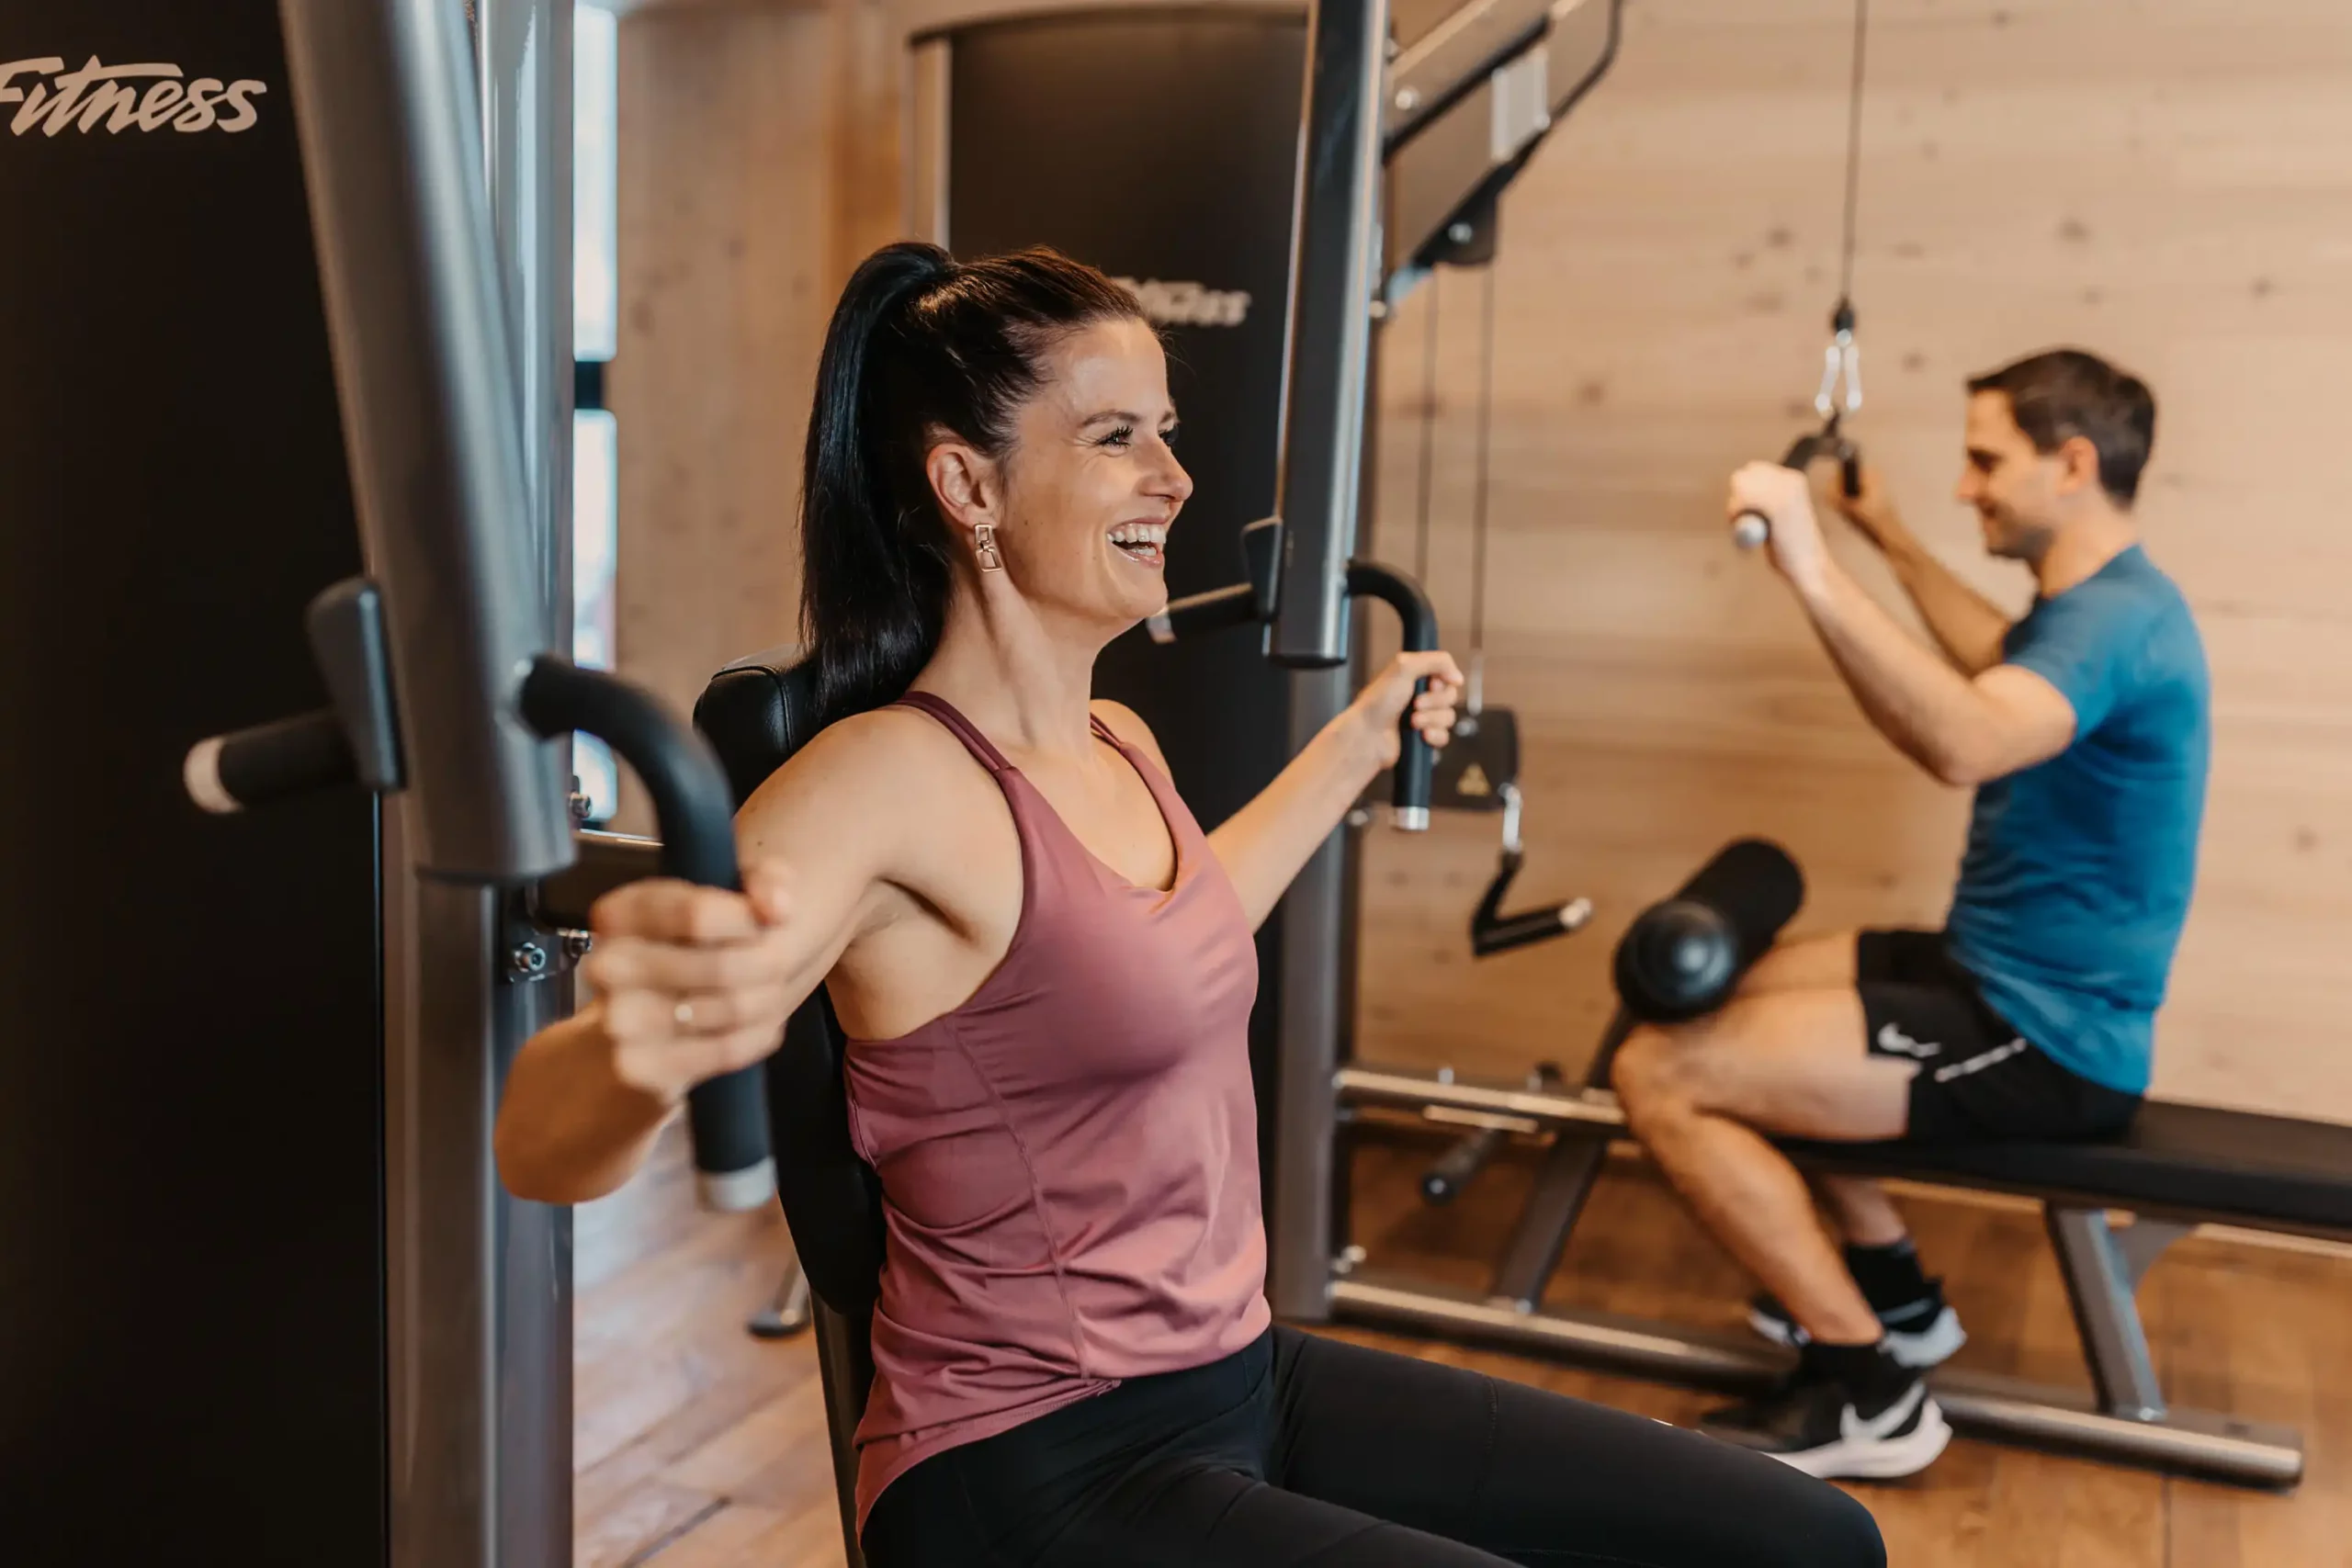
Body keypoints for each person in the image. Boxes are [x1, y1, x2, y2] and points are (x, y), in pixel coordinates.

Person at [494, 242, 1884, 1567]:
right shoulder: (880, 784)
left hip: (1237, 1373)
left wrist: (1357, 742)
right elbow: (543, 1148)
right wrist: (635, 1048)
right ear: (967, 485)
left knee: (1812, 1540)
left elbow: (1176, 930)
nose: (1174, 475)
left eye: (1165, 430)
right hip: (1029, 1461)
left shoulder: (1118, 741)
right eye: (1116, 437)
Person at [1610, 349, 2211, 1480]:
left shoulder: (2117, 624)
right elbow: (1994, 668)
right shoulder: (2098, 610)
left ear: (2072, 465)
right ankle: (1898, 1299)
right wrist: (1879, 534)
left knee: (1661, 1072)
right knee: (1721, 995)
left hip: (2047, 1036)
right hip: (1988, 968)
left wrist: (1807, 564)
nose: (1964, 486)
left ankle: (1871, 1392)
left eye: (1986, 461)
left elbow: (1966, 739)